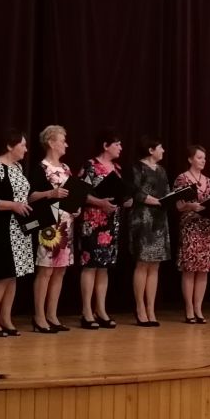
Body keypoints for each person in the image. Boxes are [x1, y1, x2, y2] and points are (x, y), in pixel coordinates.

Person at [0, 130, 45, 337]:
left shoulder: (17, 167)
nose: (26, 149)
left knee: (13, 274)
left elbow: (25, 195)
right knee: (2, 273)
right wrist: (13, 205)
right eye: (22, 145)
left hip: (20, 228)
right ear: (10, 146)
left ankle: (6, 318)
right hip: (1, 227)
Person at [27, 125, 74, 334]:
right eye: (62, 140)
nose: (66, 144)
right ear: (51, 142)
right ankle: (39, 316)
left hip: (66, 224)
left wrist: (75, 206)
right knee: (46, 270)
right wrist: (50, 193)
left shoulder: (66, 168)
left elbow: (71, 193)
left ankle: (52, 314)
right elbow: (30, 196)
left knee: (60, 270)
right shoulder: (41, 168)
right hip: (49, 225)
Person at [76, 129, 124, 329]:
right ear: (105, 145)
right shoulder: (90, 165)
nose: (120, 148)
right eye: (116, 144)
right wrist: (99, 202)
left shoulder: (117, 168)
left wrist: (125, 199)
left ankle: (101, 310)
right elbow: (80, 193)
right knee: (90, 265)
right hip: (93, 222)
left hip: (111, 222)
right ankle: (86, 311)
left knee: (104, 266)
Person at [128, 134, 171, 327]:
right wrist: (156, 201)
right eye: (160, 147)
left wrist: (171, 198)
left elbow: (167, 190)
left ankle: (151, 308)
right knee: (142, 263)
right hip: (143, 218)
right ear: (151, 150)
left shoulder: (161, 170)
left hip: (160, 220)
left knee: (155, 265)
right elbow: (135, 192)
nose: (163, 151)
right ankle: (140, 308)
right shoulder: (137, 167)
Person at [174, 145, 210, 324]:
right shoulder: (182, 178)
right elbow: (178, 206)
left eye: (204, 158)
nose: (203, 161)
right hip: (190, 227)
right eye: (199, 158)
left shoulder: (208, 180)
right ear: (190, 159)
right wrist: (190, 206)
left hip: (206, 227)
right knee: (190, 269)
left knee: (203, 270)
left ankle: (199, 308)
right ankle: (189, 308)